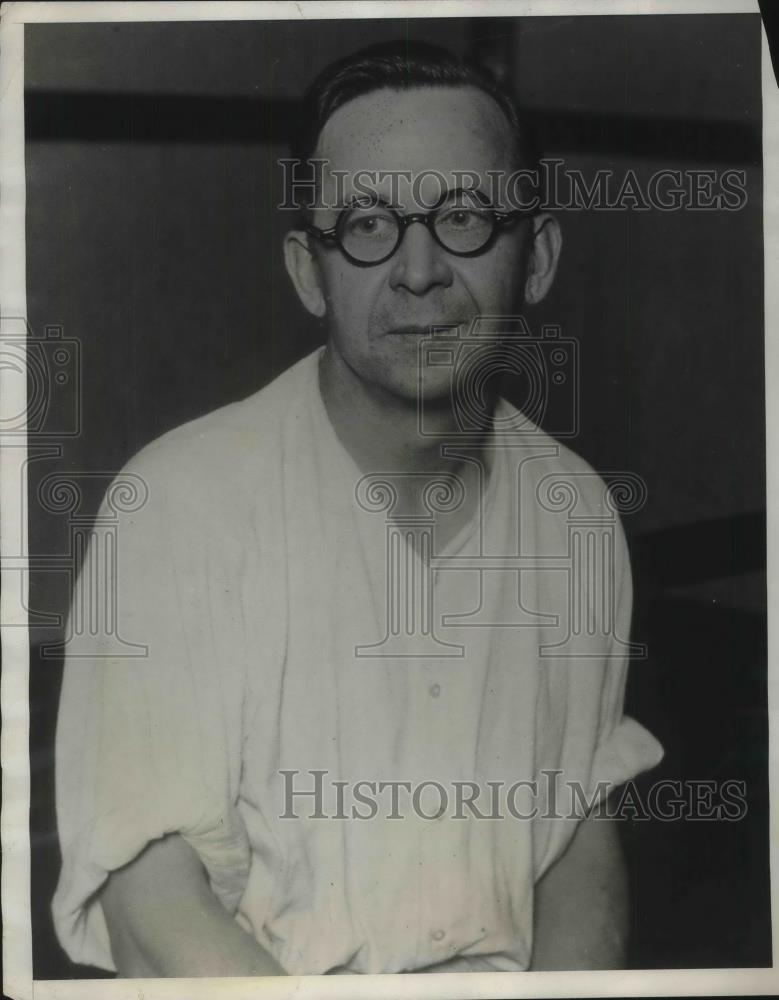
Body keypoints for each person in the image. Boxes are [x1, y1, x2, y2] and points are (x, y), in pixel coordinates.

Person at [52, 41, 663, 977]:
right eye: (369, 224)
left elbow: (575, 834)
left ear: (535, 256)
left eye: (464, 216)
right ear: (309, 271)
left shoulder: (576, 514)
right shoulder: (174, 510)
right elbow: (151, 908)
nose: (418, 271)